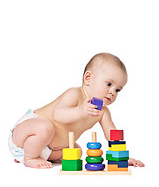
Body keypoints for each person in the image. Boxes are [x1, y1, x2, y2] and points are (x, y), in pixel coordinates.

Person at [8, 52, 145, 169]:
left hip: (48, 149)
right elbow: (58, 115)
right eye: (109, 84)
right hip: (28, 132)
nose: (112, 92)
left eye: (117, 89)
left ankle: (38, 154)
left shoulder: (103, 112)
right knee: (45, 127)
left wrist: (120, 159)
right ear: (88, 78)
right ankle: (30, 158)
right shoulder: (74, 94)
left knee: (77, 151)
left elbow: (112, 134)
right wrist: (80, 111)